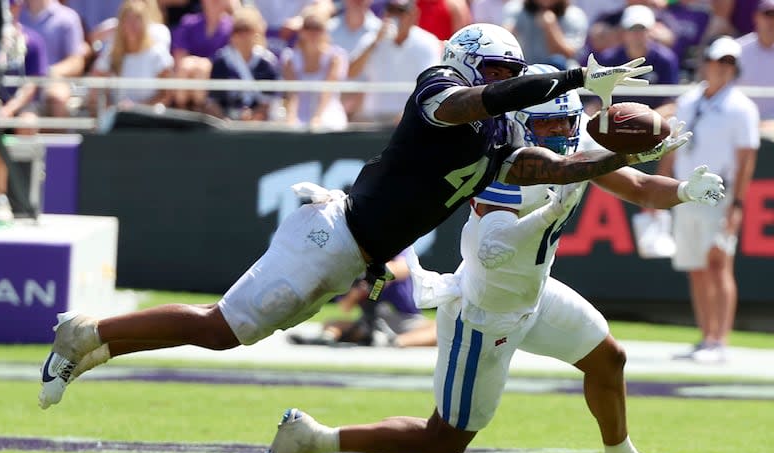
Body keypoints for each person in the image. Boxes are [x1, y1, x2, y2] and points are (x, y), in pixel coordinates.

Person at [37, 24, 666, 414]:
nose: (505, 80)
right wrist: (575, 74)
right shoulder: (441, 89)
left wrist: (622, 154)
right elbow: (483, 97)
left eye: (511, 71)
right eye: (499, 69)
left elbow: (547, 169)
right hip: (329, 238)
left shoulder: (498, 135)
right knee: (225, 327)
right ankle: (88, 333)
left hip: (353, 251)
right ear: (471, 60)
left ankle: (96, 343)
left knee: (230, 331)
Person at [246, 65, 723, 453]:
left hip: (533, 296)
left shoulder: (571, 150)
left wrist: (684, 190)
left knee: (608, 359)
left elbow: (638, 188)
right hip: (485, 312)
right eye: (546, 125)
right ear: (520, 125)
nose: (558, 134)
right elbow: (492, 249)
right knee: (445, 439)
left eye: (564, 124)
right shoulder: (506, 165)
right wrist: (546, 216)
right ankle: (314, 438)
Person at [658, 36, 760, 364]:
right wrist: (660, 186)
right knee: (696, 267)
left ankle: (720, 340)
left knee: (718, 264)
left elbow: (746, 159)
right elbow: (672, 147)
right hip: (686, 190)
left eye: (730, 63)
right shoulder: (688, 100)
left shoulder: (742, 107)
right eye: (720, 62)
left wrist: (738, 205)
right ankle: (706, 337)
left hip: (719, 192)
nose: (724, 69)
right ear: (708, 63)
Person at [0, 0, 47, 222]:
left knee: (12, 123)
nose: (10, 8)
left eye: (14, 4)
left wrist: (9, 108)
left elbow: (32, 84)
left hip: (18, 107)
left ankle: (1, 199)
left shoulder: (32, 41)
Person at [286, 247, 437, 347]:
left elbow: (402, 269)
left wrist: (374, 272)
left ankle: (395, 342)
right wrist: (359, 291)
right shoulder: (358, 259)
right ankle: (326, 338)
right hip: (371, 320)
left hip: (404, 319)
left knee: (438, 329)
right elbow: (344, 307)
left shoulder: (399, 250)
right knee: (332, 324)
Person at [348, 0, 440, 124]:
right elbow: (351, 73)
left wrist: (408, 111)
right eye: (391, 10)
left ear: (413, 15)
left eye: (401, 11)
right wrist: (375, 43)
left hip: (411, 118)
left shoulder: (427, 42)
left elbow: (430, 81)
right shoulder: (371, 39)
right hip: (373, 119)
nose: (395, 16)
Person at [88, 0, 174, 109]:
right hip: (117, 120)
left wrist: (137, 109)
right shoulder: (111, 54)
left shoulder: (158, 54)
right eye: (127, 19)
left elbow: (166, 95)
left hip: (149, 119)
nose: (132, 24)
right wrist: (113, 110)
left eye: (137, 19)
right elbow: (95, 89)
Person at [204, 5, 281, 121]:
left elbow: (270, 101)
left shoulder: (268, 63)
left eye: (248, 30)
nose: (243, 36)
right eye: (238, 30)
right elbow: (213, 101)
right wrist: (224, 120)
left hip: (260, 126)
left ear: (257, 33)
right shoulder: (221, 61)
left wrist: (254, 118)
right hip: (226, 124)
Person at [281, 6, 349, 130]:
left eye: (317, 27)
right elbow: (293, 93)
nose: (313, 32)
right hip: (299, 111)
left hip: (327, 109)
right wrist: (291, 117)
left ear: (325, 31)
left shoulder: (336, 57)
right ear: (301, 31)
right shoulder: (290, 58)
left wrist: (317, 117)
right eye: (308, 27)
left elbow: (327, 91)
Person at [20, 0, 89, 119]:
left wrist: (49, 72)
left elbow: (77, 61)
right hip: (19, 83)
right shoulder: (15, 14)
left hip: (51, 82)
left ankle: (61, 136)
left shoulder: (68, 17)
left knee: (57, 98)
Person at [502, 0, 588, 70]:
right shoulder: (516, 9)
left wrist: (551, 27)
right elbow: (503, 40)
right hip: (526, 70)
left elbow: (568, 54)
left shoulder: (574, 15)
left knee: (557, 61)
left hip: (562, 74)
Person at [737, 0, 774, 127]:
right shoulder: (737, 49)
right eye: (767, 15)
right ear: (756, 17)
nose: (771, 21)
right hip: (740, 122)